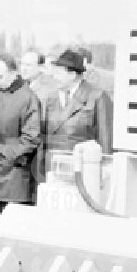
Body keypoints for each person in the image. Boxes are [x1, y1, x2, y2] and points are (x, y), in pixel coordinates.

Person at [0, 53, 41, 223]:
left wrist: (6, 154)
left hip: (15, 173)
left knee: (14, 224)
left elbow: (31, 138)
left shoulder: (28, 98)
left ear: (14, 73)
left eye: (0, 76)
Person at [42, 49, 113, 178]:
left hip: (84, 172)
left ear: (73, 75)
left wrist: (104, 173)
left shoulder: (97, 97)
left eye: (58, 73)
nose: (54, 77)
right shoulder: (51, 98)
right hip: (55, 172)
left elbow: (105, 140)